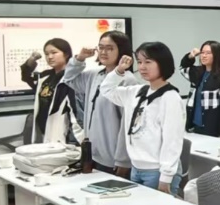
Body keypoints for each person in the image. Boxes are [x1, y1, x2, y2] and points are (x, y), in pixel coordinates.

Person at [100, 42, 186, 195]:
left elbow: (172, 141)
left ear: (163, 63)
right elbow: (106, 90)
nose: (142, 67)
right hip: (136, 167)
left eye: (148, 62)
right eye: (139, 62)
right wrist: (119, 70)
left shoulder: (170, 98)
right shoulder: (137, 92)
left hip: (157, 171)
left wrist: (166, 177)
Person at [64, 31, 139, 173]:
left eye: (109, 48)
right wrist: (80, 59)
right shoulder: (95, 75)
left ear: (122, 51)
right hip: (92, 154)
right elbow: (69, 80)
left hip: (113, 158)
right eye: (101, 47)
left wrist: (123, 161)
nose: (104, 52)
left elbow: (128, 125)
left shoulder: (127, 80)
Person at [21, 38, 80, 144]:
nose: (50, 57)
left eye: (54, 52)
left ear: (66, 54)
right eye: (47, 54)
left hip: (63, 130)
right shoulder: (45, 76)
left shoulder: (72, 78)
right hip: (43, 130)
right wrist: (32, 59)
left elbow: (76, 111)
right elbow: (26, 76)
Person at [180, 40, 220, 138]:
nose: (203, 56)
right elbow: (183, 68)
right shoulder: (198, 72)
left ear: (217, 55)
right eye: (202, 52)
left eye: (208, 53)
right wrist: (191, 56)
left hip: (212, 129)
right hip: (194, 127)